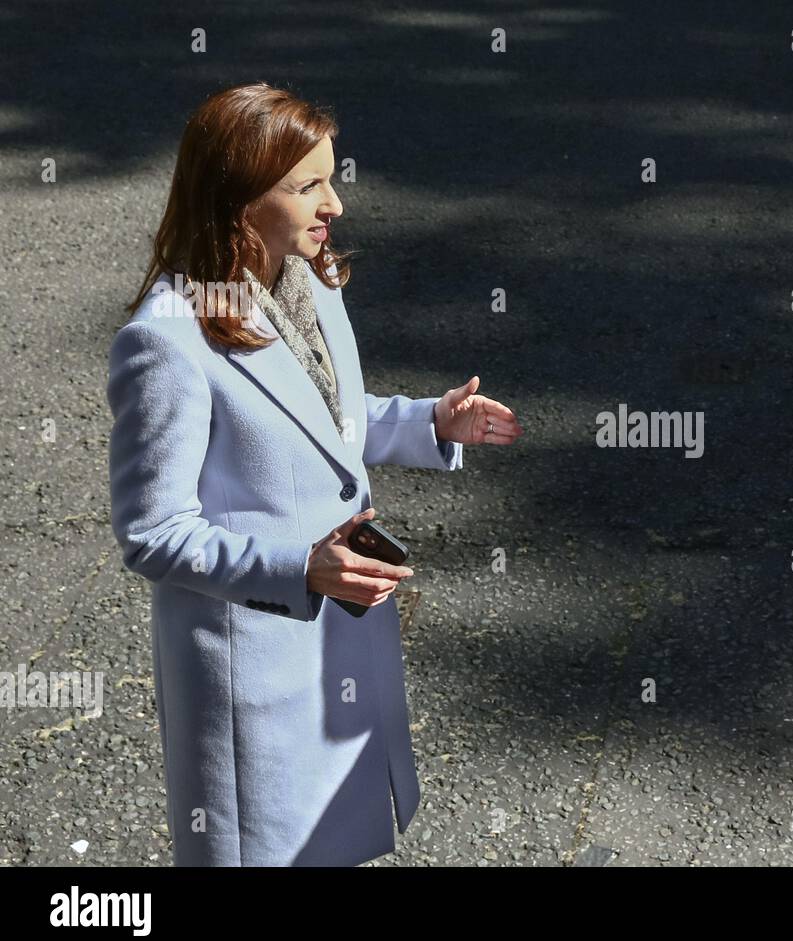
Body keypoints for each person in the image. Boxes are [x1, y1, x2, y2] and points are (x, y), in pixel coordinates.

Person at [107, 82, 523, 866]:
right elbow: (152, 533)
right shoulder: (162, 344)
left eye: (332, 177)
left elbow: (329, 412)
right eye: (308, 186)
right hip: (254, 683)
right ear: (236, 198)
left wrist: (430, 421)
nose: (334, 203)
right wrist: (301, 568)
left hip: (335, 655)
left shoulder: (307, 280)